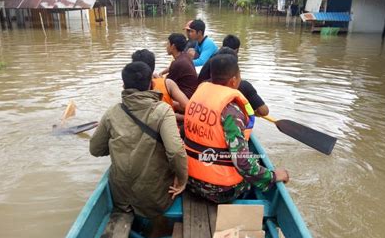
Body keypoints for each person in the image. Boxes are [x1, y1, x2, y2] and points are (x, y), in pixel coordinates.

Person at [184, 54, 289, 203]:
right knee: (254, 163)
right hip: (217, 191)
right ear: (234, 80)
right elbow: (243, 163)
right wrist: (273, 176)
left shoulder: (197, 97)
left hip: (189, 180)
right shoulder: (231, 112)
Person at [90, 61, 188, 218]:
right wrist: (183, 180)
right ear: (151, 83)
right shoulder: (163, 111)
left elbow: (95, 149)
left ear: (123, 86)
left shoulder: (112, 112)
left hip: (121, 200)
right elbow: (176, 151)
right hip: (155, 200)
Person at [197, 35, 269, 116]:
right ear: (233, 80)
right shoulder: (244, 86)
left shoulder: (203, 84)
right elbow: (264, 111)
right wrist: (251, 112)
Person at [162, 33, 198, 99]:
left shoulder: (178, 63)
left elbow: (166, 84)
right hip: (193, 93)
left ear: (173, 46)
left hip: (186, 97)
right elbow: (172, 67)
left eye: (168, 44)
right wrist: (161, 73)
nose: (166, 46)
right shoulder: (184, 56)